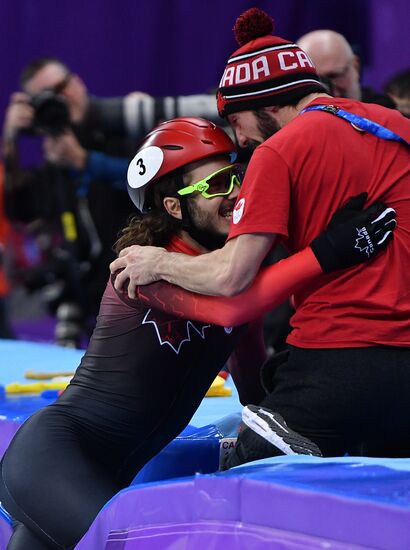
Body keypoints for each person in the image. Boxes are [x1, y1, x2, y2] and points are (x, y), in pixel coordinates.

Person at [0, 115, 394, 549]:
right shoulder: (145, 266)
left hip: (105, 472)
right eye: (216, 185)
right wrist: (329, 250)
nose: (237, 194)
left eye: (238, 177)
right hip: (54, 457)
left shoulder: (240, 271)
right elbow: (233, 307)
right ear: (174, 207)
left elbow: (250, 379)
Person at [110, 7, 409, 462]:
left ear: (269, 104)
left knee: (241, 491)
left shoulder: (279, 150)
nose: (240, 140)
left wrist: (157, 262)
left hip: (338, 364)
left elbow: (232, 281)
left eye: (237, 120)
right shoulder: (396, 125)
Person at [3, 58, 223, 345]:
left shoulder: (125, 121)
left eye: (62, 86)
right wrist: (10, 139)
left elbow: (157, 186)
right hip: (89, 290)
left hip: (149, 283)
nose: (61, 98)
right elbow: (18, 208)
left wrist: (84, 161)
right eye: (47, 97)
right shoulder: (55, 155)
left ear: (78, 81)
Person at [297, 29, 396, 108]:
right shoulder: (291, 124)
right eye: (316, 80)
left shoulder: (386, 118)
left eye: (333, 76)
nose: (326, 87)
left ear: (356, 67)